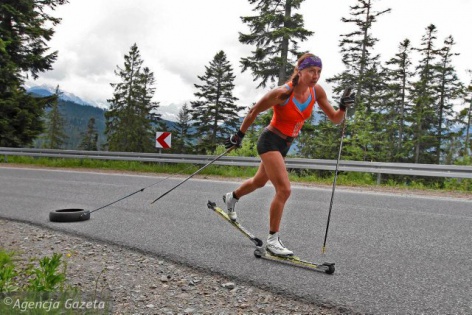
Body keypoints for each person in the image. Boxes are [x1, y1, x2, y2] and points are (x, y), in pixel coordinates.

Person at [223, 53, 355, 256]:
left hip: (285, 144)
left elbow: (336, 119)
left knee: (259, 182)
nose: (315, 76)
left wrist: (343, 106)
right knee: (284, 190)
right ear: (299, 71)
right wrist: (238, 135)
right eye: (311, 71)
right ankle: (273, 240)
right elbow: (254, 111)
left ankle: (232, 197)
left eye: (319, 72)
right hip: (270, 141)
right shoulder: (282, 93)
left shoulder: (316, 91)